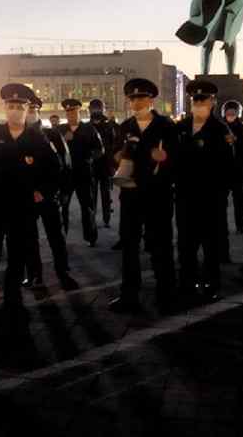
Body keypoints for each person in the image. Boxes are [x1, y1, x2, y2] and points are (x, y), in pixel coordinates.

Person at [0, 83, 59, 332]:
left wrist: (43, 191)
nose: (15, 110)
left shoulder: (37, 139)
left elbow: (55, 169)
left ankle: (13, 300)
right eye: (11, 105)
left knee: (18, 256)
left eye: (20, 106)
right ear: (5, 108)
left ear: (27, 109)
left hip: (24, 209)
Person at [108, 78, 178, 314]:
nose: (137, 102)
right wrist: (118, 157)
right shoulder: (125, 126)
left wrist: (165, 159)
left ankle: (166, 293)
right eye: (133, 99)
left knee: (161, 245)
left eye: (141, 98)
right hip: (130, 194)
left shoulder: (166, 126)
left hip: (158, 195)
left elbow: (178, 159)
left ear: (151, 100)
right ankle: (129, 294)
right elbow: (113, 155)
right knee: (129, 245)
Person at [175, 80, 232, 303]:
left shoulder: (220, 129)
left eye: (203, 100)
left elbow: (228, 165)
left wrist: (221, 192)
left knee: (211, 243)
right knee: (185, 243)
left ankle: (211, 283)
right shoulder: (180, 128)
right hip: (185, 195)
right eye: (196, 100)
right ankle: (187, 282)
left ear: (212, 102)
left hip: (211, 197)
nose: (199, 104)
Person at [23, 94, 78, 290]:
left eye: (32, 109)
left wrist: (59, 192)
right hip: (25, 197)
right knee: (29, 238)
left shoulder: (51, 134)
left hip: (49, 195)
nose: (29, 113)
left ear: (38, 111)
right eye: (27, 109)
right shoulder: (16, 135)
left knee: (56, 237)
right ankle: (34, 274)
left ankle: (63, 273)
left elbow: (65, 165)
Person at [57, 99, 103, 246]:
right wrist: (63, 140)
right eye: (68, 112)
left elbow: (99, 149)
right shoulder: (60, 130)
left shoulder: (89, 129)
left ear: (79, 111)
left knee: (87, 206)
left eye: (74, 111)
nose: (71, 114)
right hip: (66, 175)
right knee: (62, 207)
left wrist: (89, 159)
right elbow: (53, 151)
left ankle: (91, 237)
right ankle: (61, 237)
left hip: (84, 173)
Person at [222, 100, 243, 235]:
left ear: (238, 113)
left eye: (233, 112)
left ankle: (240, 226)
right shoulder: (220, 127)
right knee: (220, 201)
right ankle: (220, 226)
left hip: (238, 171)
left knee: (239, 201)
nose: (230, 115)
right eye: (228, 112)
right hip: (223, 171)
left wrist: (237, 140)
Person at [88, 99, 118, 228]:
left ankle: (106, 219)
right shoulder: (87, 127)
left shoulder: (109, 126)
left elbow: (113, 147)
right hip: (92, 166)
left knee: (106, 194)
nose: (96, 111)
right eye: (93, 108)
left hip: (105, 166)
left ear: (102, 109)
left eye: (98, 108)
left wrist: (113, 166)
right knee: (92, 195)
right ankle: (92, 219)